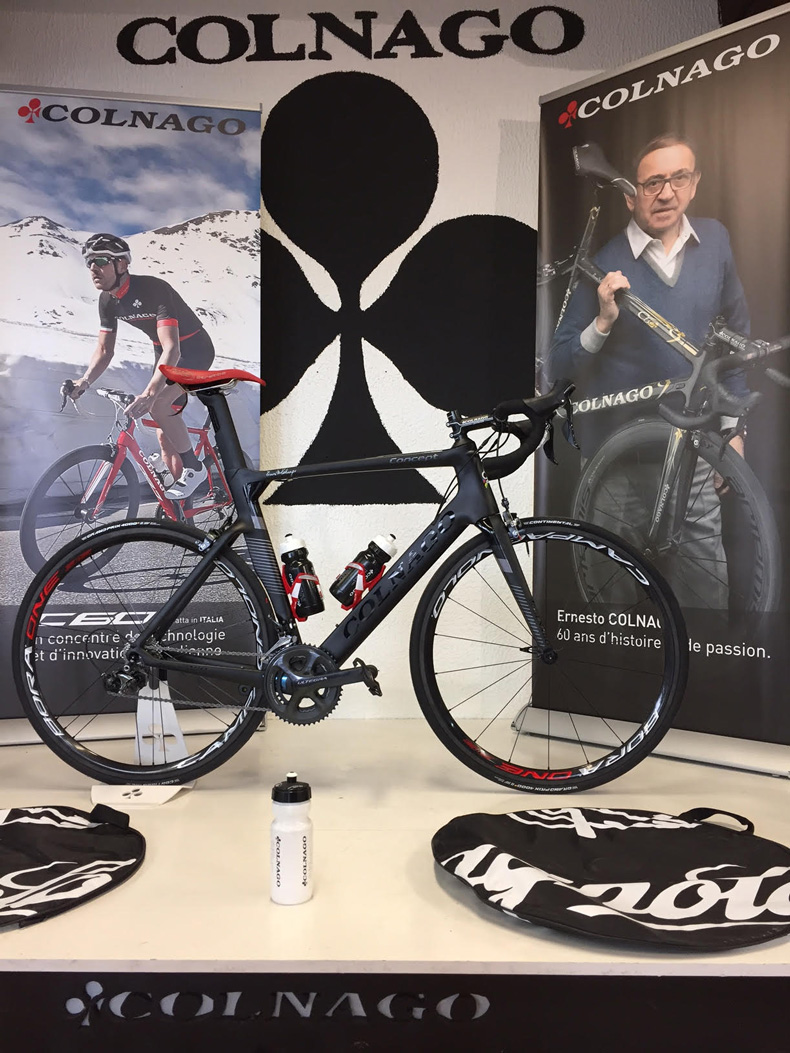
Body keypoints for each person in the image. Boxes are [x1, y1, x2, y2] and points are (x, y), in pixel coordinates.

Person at [547, 134, 750, 608]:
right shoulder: (601, 264)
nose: (666, 193)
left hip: (693, 459)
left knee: (705, 606)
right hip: (616, 466)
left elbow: (734, 340)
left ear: (694, 184)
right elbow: (557, 364)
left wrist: (733, 428)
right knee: (613, 611)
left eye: (678, 178)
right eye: (652, 183)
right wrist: (602, 322)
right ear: (630, 195)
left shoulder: (715, 241)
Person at [71, 233, 215, 500]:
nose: (93, 268)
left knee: (159, 404)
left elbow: (173, 348)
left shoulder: (153, 289)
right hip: (163, 352)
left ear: (122, 264)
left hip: (193, 350)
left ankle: (194, 469)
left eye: (101, 261)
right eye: (89, 262)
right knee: (164, 436)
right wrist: (85, 381)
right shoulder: (107, 300)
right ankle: (183, 508)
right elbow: (105, 350)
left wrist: (150, 394)